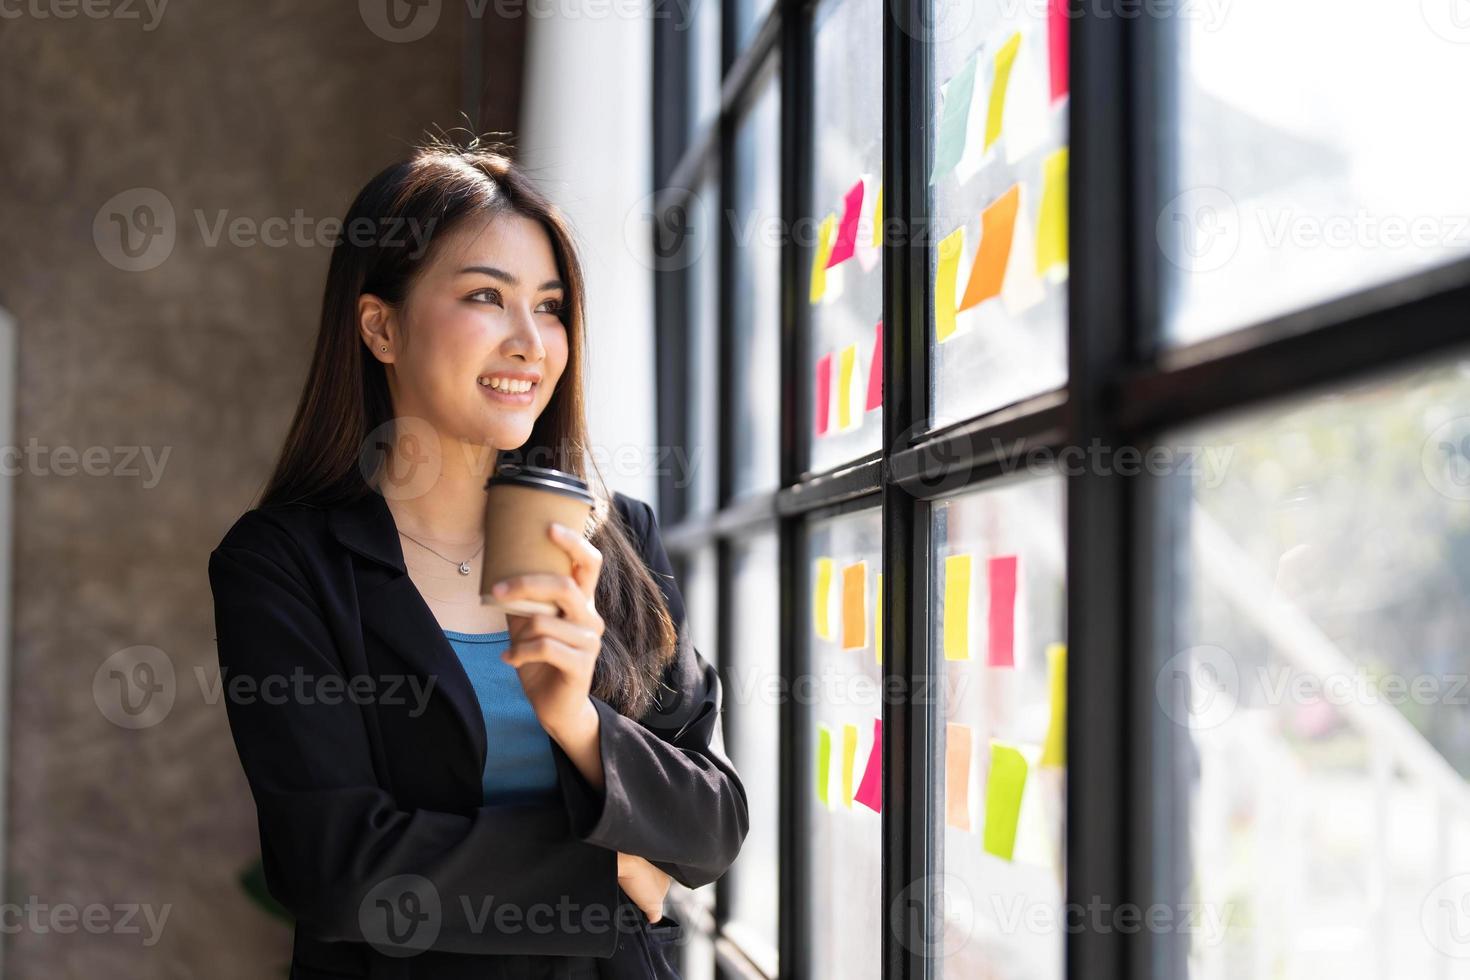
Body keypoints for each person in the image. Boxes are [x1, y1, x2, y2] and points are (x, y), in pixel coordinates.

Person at [207, 136, 749, 979]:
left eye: (552, 305)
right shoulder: (284, 566)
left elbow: (710, 826)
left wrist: (577, 720)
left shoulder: (615, 539)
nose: (532, 341)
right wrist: (608, 876)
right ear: (380, 326)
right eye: (487, 298)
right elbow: (339, 866)